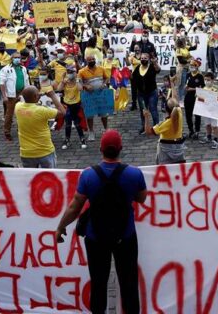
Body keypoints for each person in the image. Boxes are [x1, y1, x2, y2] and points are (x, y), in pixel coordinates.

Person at [55, 130, 147, 314]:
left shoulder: (88, 175)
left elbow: (75, 206)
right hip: (125, 236)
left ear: (100, 149)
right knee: (128, 284)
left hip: (96, 237)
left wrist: (61, 227)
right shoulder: (134, 174)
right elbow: (141, 198)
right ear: (121, 149)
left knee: (98, 284)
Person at [12, 86, 65, 168]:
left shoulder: (18, 107)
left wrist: (33, 96)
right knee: (49, 178)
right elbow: (62, 112)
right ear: (35, 97)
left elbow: (19, 100)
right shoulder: (41, 110)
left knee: (31, 179)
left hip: (26, 153)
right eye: (38, 94)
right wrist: (53, 96)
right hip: (45, 151)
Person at [143, 96, 185, 164]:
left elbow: (148, 132)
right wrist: (172, 85)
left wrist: (146, 117)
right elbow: (175, 98)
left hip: (166, 150)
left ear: (166, 109)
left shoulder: (166, 124)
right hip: (179, 147)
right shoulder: (179, 112)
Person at [78, 53, 111, 139]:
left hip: (101, 94)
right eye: (90, 60)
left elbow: (107, 78)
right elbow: (79, 83)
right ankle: (91, 132)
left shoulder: (101, 69)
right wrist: (85, 86)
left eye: (93, 59)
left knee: (104, 114)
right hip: (89, 96)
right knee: (89, 115)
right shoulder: (81, 71)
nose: (92, 61)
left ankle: (106, 129)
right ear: (86, 61)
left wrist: (104, 84)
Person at [57, 64, 87, 150]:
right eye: (68, 72)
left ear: (75, 73)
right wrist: (63, 81)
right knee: (68, 123)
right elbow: (59, 89)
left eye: (71, 72)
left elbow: (80, 89)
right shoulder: (65, 81)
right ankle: (67, 139)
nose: (69, 73)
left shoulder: (78, 80)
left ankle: (82, 138)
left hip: (76, 105)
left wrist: (77, 79)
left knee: (77, 123)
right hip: (67, 105)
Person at [0, 53, 29, 139]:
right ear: (11, 58)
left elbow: (26, 80)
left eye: (19, 57)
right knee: (9, 113)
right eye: (15, 57)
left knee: (23, 112)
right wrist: (4, 96)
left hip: (22, 93)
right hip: (11, 95)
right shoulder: (5, 69)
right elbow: (2, 83)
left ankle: (21, 129)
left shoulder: (23, 68)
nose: (17, 59)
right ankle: (7, 131)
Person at [130, 53, 160, 127]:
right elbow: (133, 78)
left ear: (149, 59)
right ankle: (144, 127)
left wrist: (155, 62)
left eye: (145, 58)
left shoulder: (152, 67)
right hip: (141, 95)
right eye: (142, 58)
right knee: (143, 111)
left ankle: (156, 127)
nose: (143, 60)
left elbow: (158, 70)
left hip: (152, 93)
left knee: (153, 110)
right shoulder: (137, 68)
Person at [183, 59, 205, 140]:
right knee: (188, 115)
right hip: (188, 97)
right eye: (190, 66)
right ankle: (191, 130)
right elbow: (186, 84)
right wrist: (186, 87)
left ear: (197, 66)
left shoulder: (200, 76)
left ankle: (197, 131)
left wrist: (192, 89)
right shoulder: (188, 74)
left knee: (197, 115)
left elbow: (202, 87)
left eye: (193, 66)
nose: (191, 67)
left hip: (196, 98)